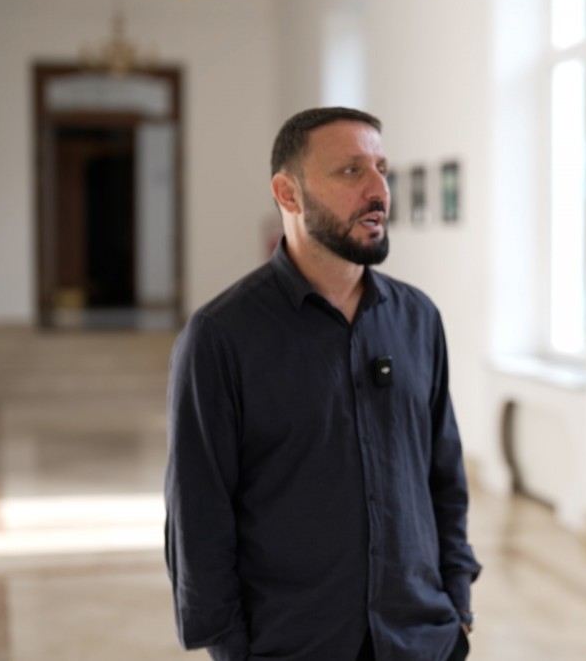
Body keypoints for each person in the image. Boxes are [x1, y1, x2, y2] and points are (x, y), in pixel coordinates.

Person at [165, 107, 480, 661]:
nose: (379, 190)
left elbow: (443, 475)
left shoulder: (418, 318)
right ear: (288, 194)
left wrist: (457, 601)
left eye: (381, 169)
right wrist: (230, 647)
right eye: (351, 171)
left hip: (421, 637)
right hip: (291, 644)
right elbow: (198, 510)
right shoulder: (220, 336)